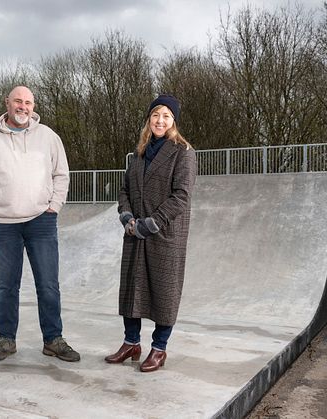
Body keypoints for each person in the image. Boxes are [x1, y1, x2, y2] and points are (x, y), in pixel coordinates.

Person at [0, 85, 80, 363]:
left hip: (40, 222)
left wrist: (53, 207)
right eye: (18, 101)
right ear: (7, 103)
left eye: (28, 102)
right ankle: (6, 339)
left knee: (48, 284)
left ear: (33, 107)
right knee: (6, 286)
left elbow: (62, 174)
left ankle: (53, 339)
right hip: (2, 223)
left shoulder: (48, 137)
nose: (23, 106)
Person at [105, 94, 197, 372]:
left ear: (174, 121)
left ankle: (159, 348)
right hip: (135, 232)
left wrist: (152, 223)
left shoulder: (184, 153)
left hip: (165, 234)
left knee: (164, 292)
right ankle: (131, 342)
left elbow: (181, 196)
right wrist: (127, 216)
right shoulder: (138, 154)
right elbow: (124, 190)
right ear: (149, 119)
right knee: (132, 291)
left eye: (166, 116)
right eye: (156, 115)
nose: (160, 120)